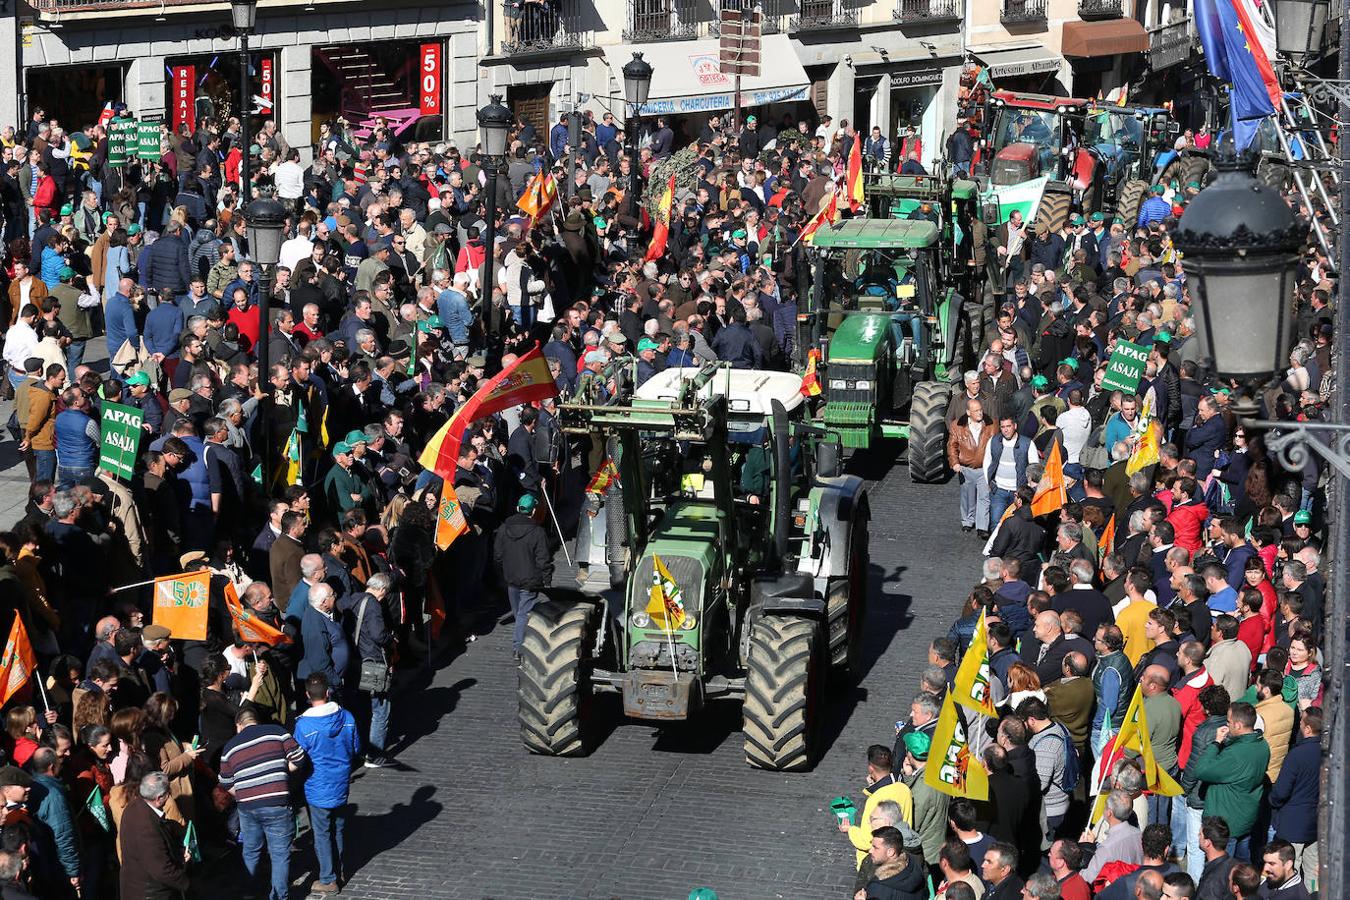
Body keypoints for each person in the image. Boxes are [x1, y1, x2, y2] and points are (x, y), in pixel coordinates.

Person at [219, 707, 306, 900]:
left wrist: (242, 793)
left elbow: (225, 782)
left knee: (250, 851)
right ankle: (279, 896)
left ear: (238, 726)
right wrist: (283, 772)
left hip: (248, 808)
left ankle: (249, 893)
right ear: (255, 721)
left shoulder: (230, 747)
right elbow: (299, 758)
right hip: (277, 802)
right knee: (280, 854)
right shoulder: (278, 732)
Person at [293, 673, 361, 895]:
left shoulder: (303, 726)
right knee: (338, 828)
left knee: (321, 833)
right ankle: (340, 869)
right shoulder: (348, 717)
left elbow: (298, 758)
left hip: (317, 785)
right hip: (340, 781)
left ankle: (328, 878)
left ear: (306, 695)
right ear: (328, 692)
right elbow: (356, 748)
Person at [493, 493, 553, 659]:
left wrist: (502, 572)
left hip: (511, 578)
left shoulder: (504, 528)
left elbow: (497, 555)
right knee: (522, 614)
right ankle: (518, 647)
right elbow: (543, 559)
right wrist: (547, 580)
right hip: (530, 579)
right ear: (533, 511)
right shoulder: (537, 532)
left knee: (518, 611)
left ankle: (522, 641)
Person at [117, 772, 190, 900]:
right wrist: (186, 882)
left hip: (134, 886)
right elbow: (162, 870)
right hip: (150, 893)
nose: (169, 797)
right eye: (168, 793)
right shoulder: (147, 828)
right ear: (159, 798)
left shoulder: (133, 807)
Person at [856, 826, 926, 900]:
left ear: (890, 852)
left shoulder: (879, 888)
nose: (870, 851)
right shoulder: (914, 866)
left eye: (875, 847)